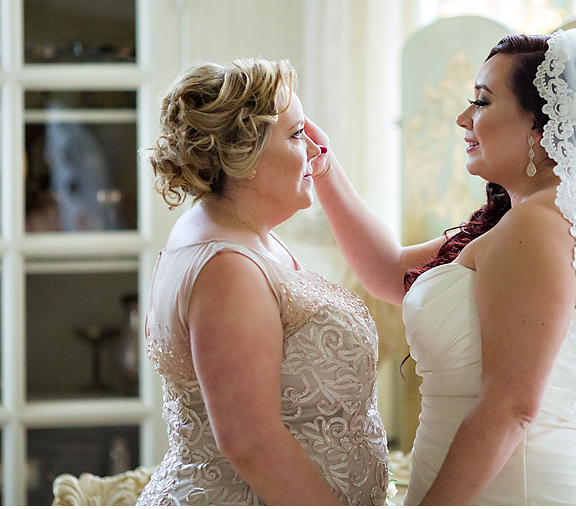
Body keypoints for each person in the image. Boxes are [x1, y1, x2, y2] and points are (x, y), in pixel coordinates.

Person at [306, 28, 576, 505]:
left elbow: (510, 409)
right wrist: (323, 167)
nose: (463, 117)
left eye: (483, 103)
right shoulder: (534, 217)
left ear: (538, 126)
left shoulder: (539, 227)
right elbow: (391, 271)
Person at [136, 58, 389, 505]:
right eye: (296, 134)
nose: (314, 148)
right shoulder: (226, 267)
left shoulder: (240, 234)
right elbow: (251, 445)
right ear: (243, 156)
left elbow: (390, 266)